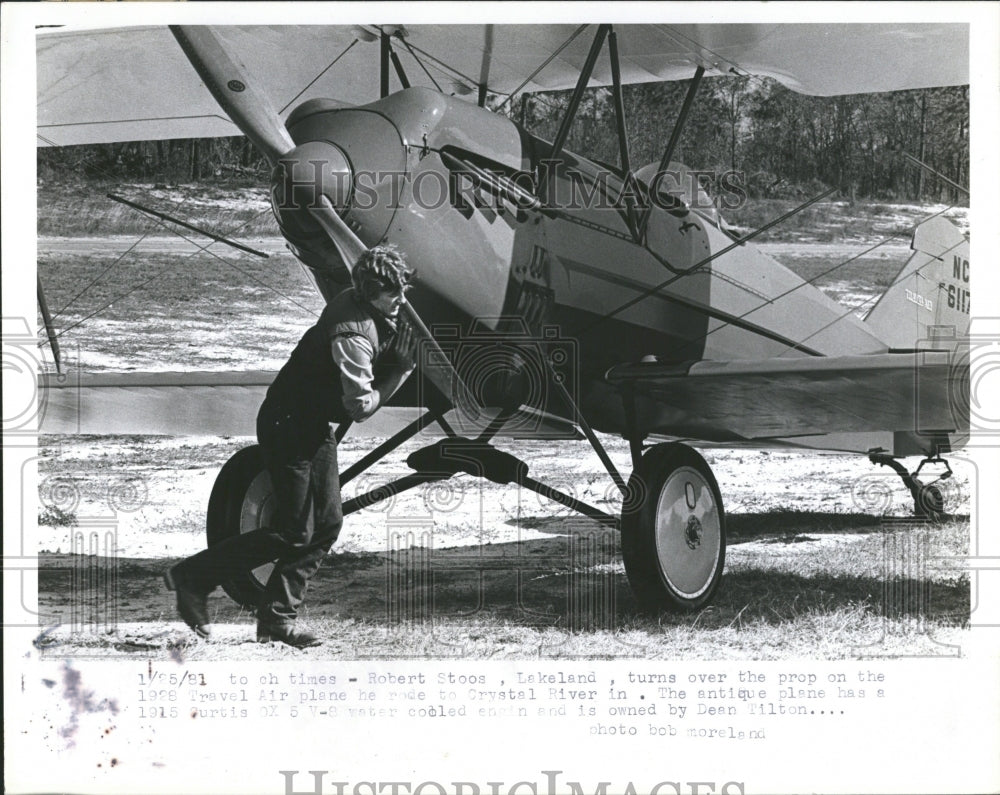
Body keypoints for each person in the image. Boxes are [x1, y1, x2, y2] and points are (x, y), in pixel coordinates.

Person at [164, 245, 417, 647]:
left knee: (327, 523)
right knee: (294, 532)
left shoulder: (362, 303)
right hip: (288, 424)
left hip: (309, 421)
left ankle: (276, 619)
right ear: (369, 292)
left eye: (405, 289)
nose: (403, 301)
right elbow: (361, 407)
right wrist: (400, 371)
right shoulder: (352, 335)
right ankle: (194, 578)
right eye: (394, 294)